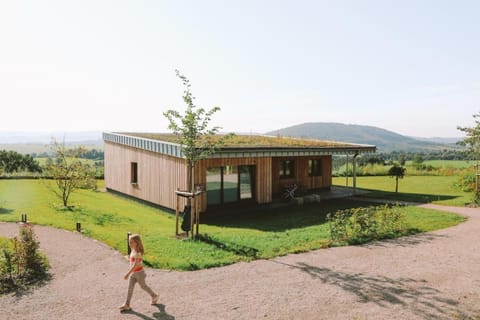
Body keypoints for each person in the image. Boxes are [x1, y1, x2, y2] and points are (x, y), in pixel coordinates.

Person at [119, 234, 158, 312]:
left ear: (137, 242)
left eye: (131, 242)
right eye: (129, 242)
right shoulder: (133, 250)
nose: (130, 244)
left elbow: (135, 265)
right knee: (130, 288)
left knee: (143, 286)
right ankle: (127, 304)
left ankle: (154, 295)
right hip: (134, 274)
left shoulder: (138, 253)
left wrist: (127, 273)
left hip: (139, 273)